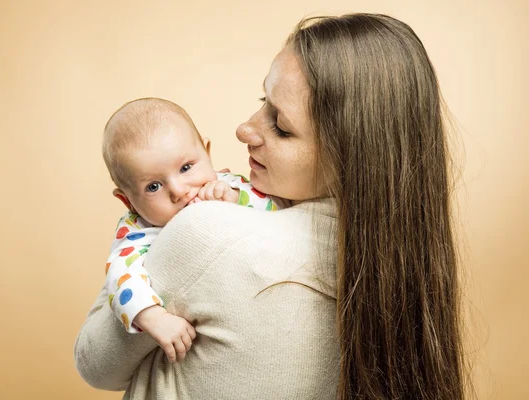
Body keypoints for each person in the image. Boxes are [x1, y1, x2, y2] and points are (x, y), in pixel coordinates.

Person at [75, 13, 467, 400]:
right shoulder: (401, 260)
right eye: (264, 100)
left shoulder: (207, 232)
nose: (244, 129)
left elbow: (95, 364)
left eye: (280, 125)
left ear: (353, 153)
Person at [101, 98, 287, 363]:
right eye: (153, 186)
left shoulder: (228, 185)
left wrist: (235, 199)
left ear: (207, 152)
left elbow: (276, 211)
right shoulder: (139, 229)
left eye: (186, 168)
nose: (178, 191)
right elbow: (120, 275)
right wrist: (153, 317)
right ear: (127, 200)